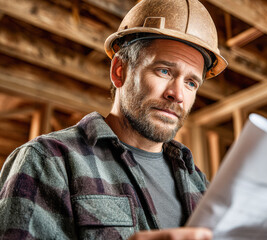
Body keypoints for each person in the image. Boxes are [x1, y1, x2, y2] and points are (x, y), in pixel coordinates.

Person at [0, 0, 227, 239]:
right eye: (164, 71)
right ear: (120, 71)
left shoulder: (199, 183)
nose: (177, 94)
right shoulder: (48, 160)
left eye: (191, 83)